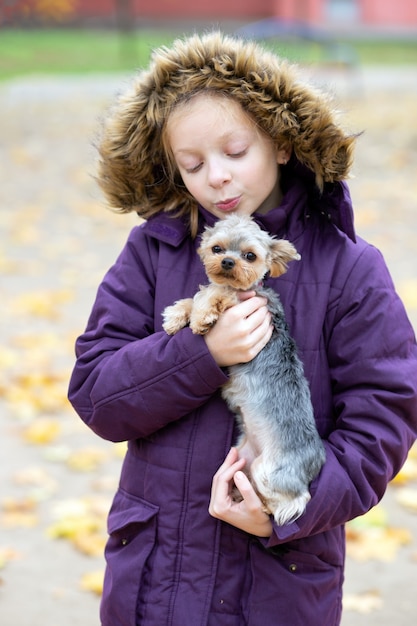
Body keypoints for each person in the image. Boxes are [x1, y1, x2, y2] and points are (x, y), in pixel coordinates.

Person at [68, 32, 417, 626]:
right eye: (194, 164)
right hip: (158, 576)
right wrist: (200, 353)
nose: (218, 178)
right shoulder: (154, 252)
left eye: (235, 151)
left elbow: (385, 412)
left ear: (280, 144)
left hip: (280, 579)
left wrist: (293, 510)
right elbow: (98, 393)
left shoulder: (349, 267)